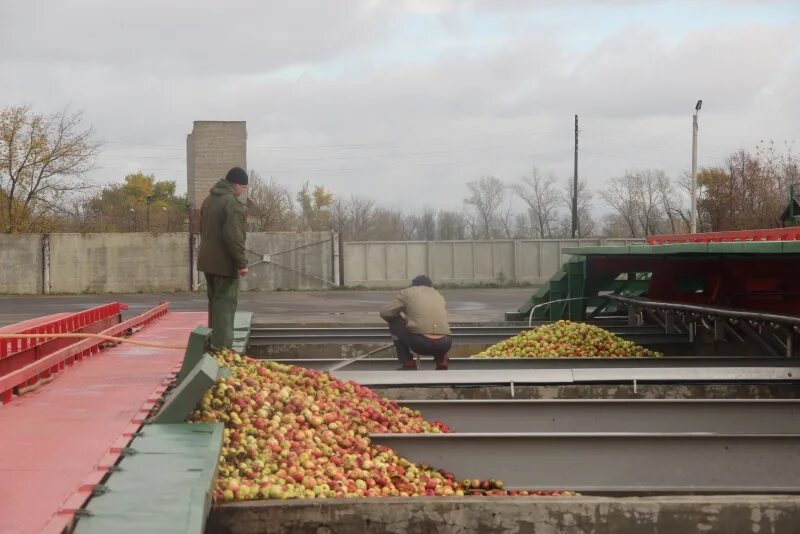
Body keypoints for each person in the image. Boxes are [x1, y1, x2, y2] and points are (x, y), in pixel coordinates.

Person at [197, 167, 249, 349]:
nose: (243, 191)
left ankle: (214, 344)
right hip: (225, 265)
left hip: (208, 263)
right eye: (244, 186)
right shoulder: (231, 203)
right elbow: (234, 236)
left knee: (215, 305)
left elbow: (202, 230)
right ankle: (223, 351)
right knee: (225, 307)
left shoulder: (209, 200)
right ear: (236, 184)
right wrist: (241, 263)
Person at [379, 275, 452, 370]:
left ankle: (408, 362)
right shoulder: (438, 295)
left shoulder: (407, 292)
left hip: (420, 343)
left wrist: (406, 321)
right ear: (430, 285)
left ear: (413, 285)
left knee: (394, 322)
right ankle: (441, 359)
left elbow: (385, 313)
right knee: (437, 325)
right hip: (445, 343)